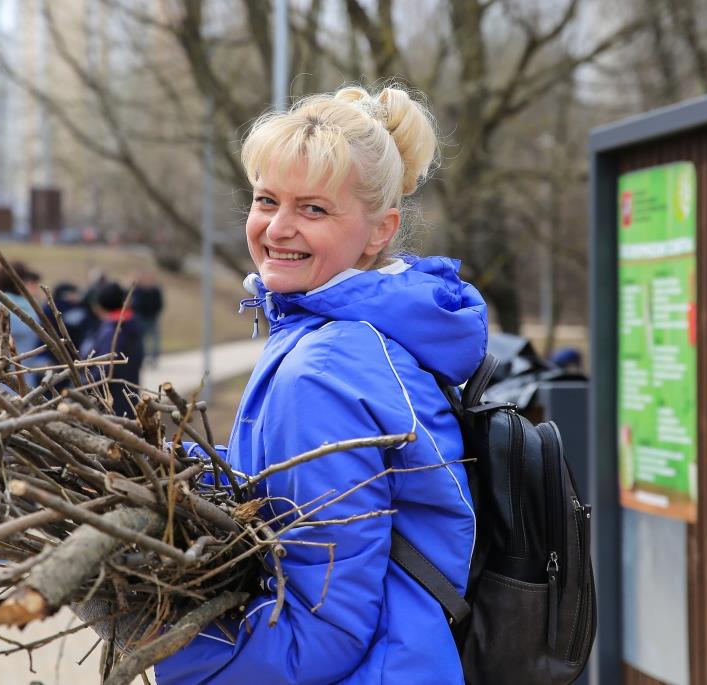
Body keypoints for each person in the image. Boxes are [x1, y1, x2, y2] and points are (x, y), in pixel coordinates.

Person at [152, 84, 488, 684]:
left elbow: (319, 632)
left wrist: (163, 642)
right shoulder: (348, 337)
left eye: (313, 209)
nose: (278, 228)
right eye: (266, 200)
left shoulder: (328, 367)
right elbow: (289, 493)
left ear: (381, 230)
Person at [80, 281, 144, 417]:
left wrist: (83, 385)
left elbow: (105, 366)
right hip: (129, 391)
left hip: (111, 398)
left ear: (100, 306)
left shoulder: (112, 330)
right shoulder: (132, 324)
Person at [131, 272, 164, 363]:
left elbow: (160, 304)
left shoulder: (155, 291)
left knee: (155, 340)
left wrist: (154, 313)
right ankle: (144, 357)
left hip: (153, 318)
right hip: (141, 319)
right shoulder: (137, 291)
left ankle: (154, 358)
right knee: (142, 340)